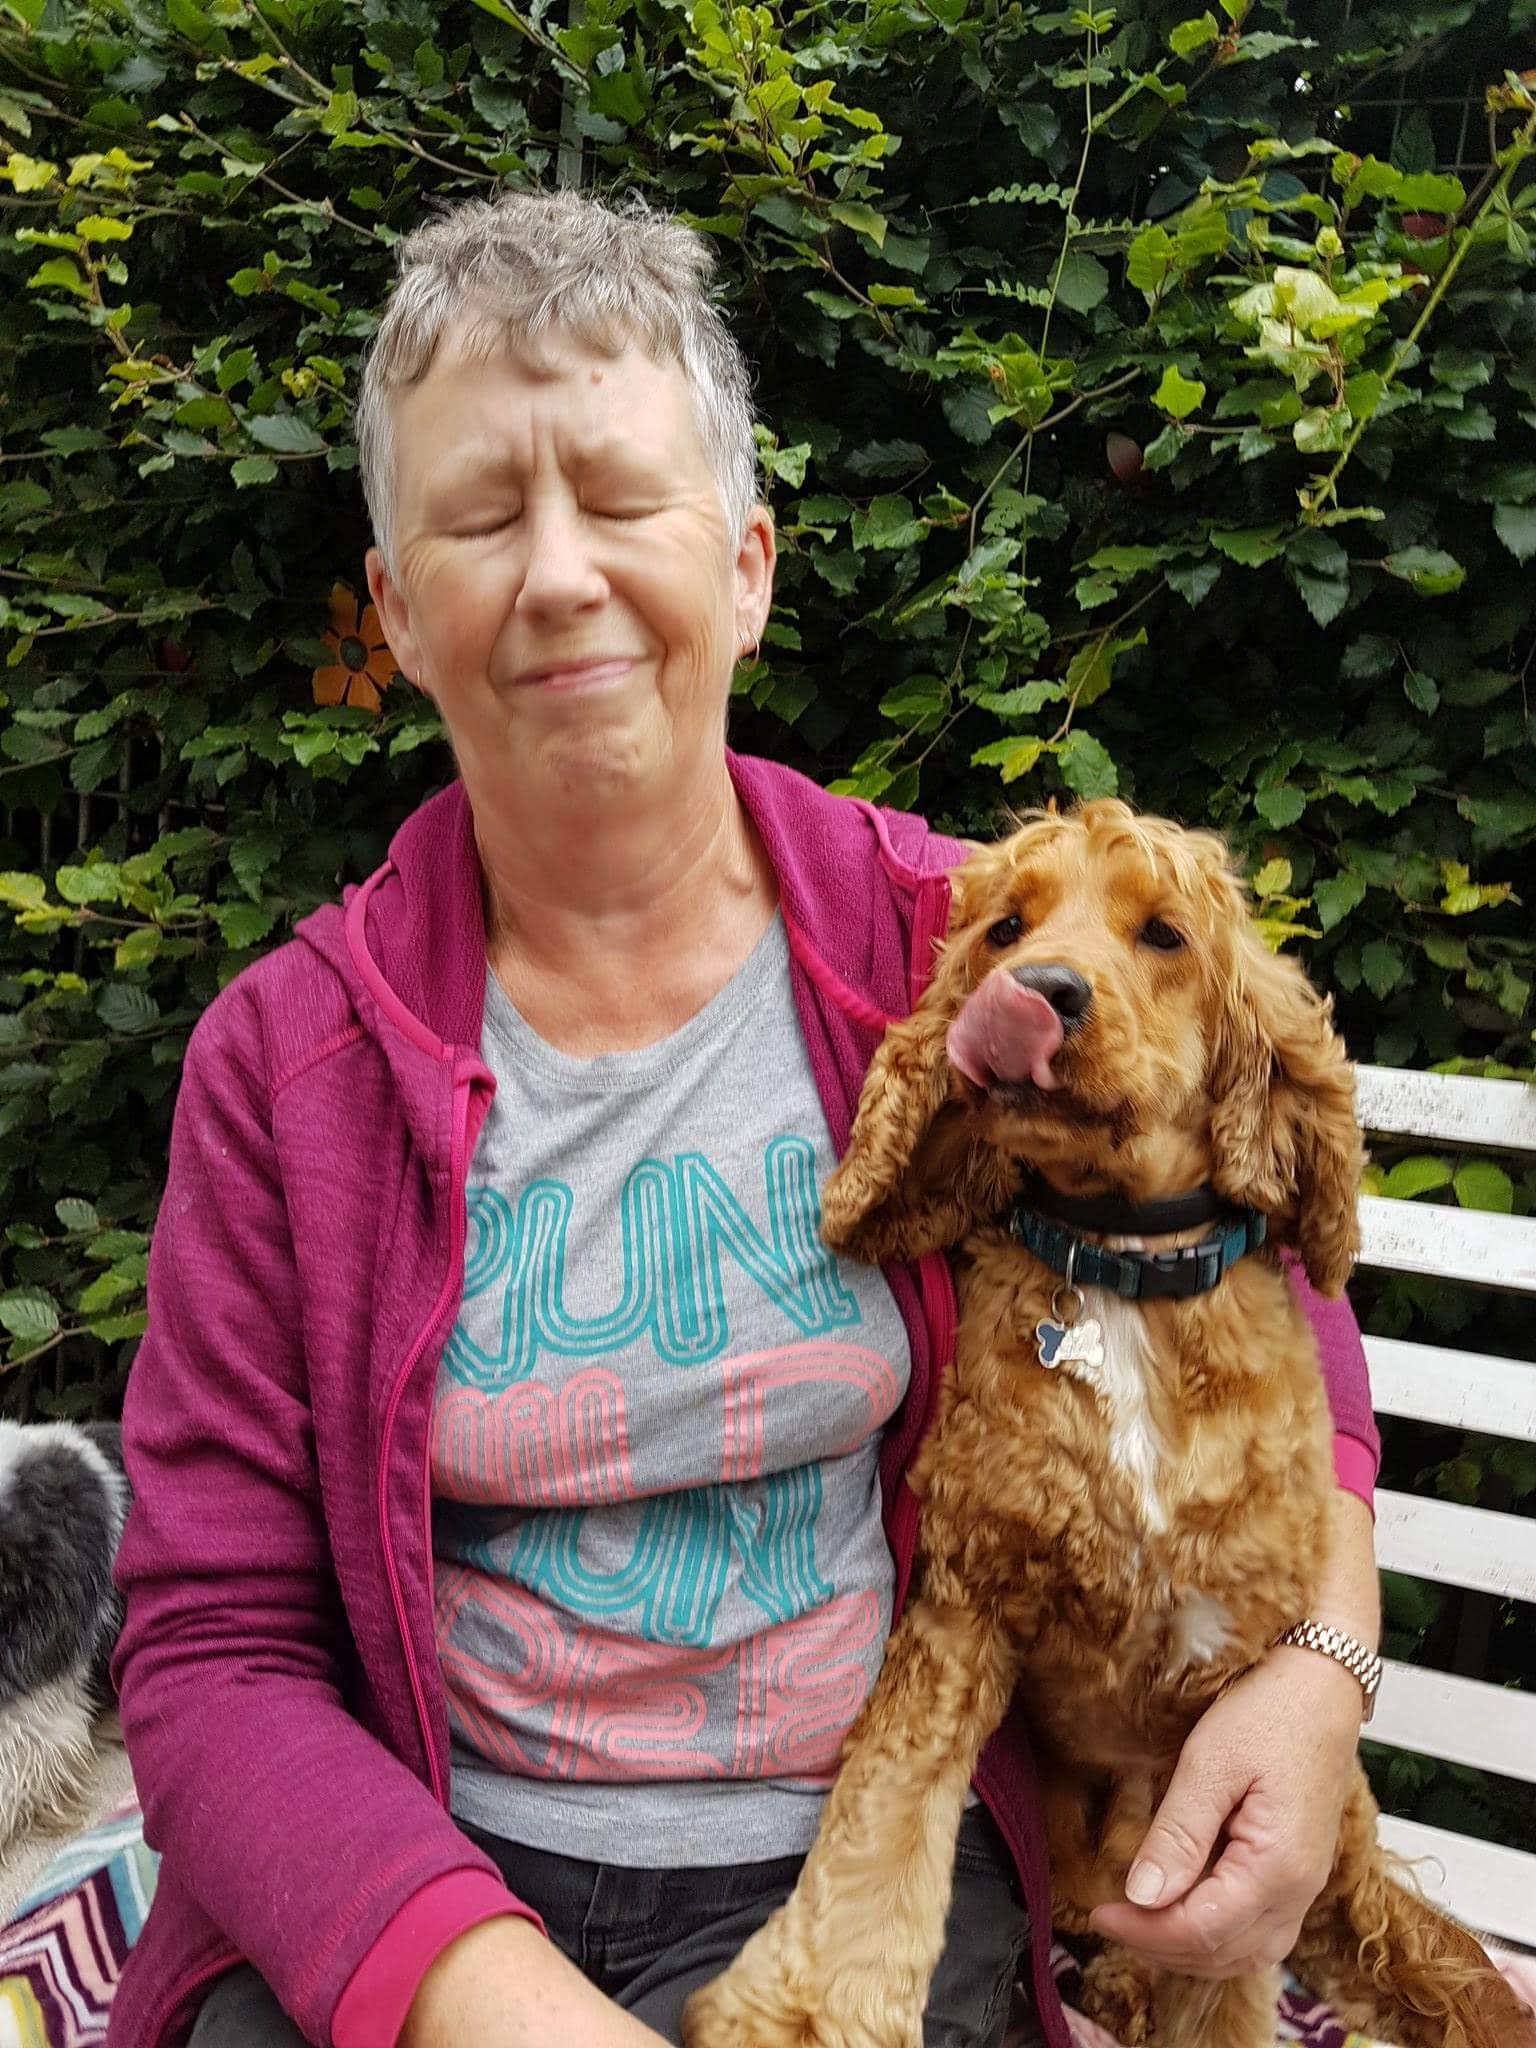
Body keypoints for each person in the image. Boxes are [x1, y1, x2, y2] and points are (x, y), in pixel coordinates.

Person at [108, 188, 1384, 2048]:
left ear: (751, 564)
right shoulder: (281, 1071)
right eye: (479, 515)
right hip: (440, 1879)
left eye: (623, 501)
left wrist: (1322, 1672)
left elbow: (1260, 1258)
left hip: (882, 1860)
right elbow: (213, 1652)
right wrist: (493, 2001)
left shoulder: (965, 949)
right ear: (394, 612)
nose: (557, 574)